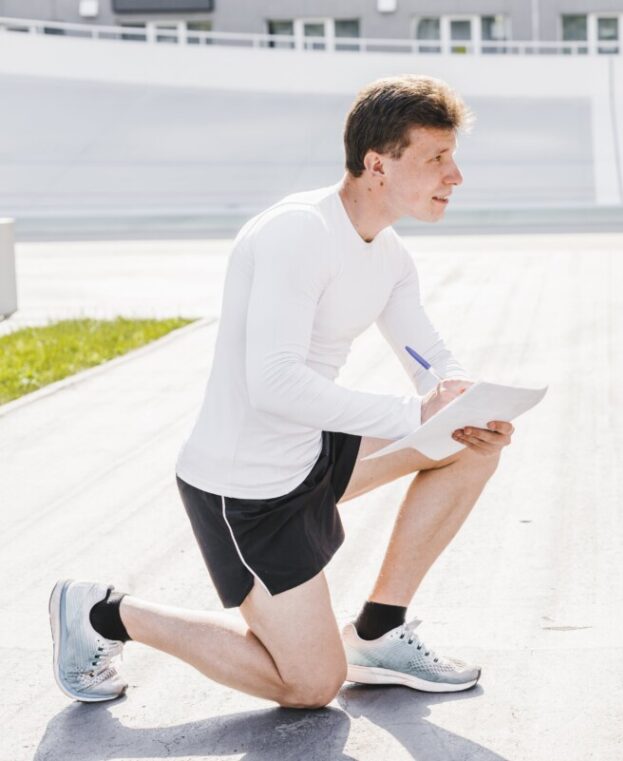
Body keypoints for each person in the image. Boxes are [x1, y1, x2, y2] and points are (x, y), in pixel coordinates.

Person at [50, 75, 516, 708]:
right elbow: (272, 385)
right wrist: (416, 413)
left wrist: (462, 400)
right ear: (377, 164)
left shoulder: (389, 252)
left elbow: (428, 357)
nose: (455, 175)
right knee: (310, 685)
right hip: (247, 489)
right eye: (437, 157)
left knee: (469, 444)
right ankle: (105, 613)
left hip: (311, 455)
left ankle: (379, 632)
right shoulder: (297, 233)